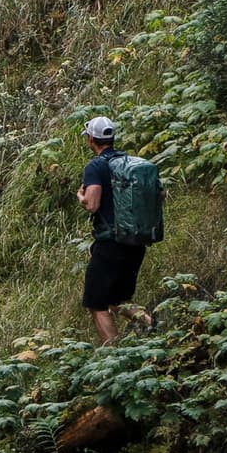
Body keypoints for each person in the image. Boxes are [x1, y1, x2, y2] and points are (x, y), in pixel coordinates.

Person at [75, 113, 155, 346]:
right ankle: (152, 325)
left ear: (91, 139)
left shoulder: (96, 166)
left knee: (96, 303)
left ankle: (114, 355)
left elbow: (92, 204)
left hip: (110, 244)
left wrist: (81, 196)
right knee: (119, 299)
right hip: (136, 241)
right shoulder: (131, 163)